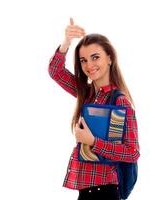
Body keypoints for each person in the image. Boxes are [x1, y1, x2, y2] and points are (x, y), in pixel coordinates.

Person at [48, 18, 140, 200]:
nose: (89, 66)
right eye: (83, 60)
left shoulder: (119, 102)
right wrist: (66, 42)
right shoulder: (87, 94)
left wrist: (93, 141)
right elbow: (55, 71)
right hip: (86, 189)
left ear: (110, 58)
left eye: (95, 57)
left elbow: (132, 152)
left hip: (105, 189)